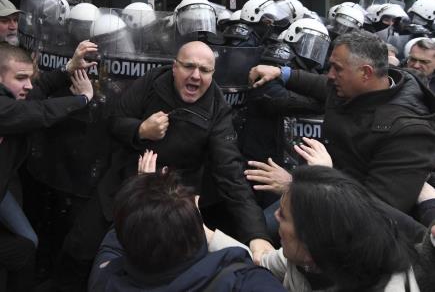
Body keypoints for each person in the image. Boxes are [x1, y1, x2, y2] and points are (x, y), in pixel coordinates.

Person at [58, 40, 273, 291]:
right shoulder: (153, 81)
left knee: (154, 266)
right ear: (174, 67)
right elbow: (114, 120)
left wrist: (257, 235)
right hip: (123, 183)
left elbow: (231, 175)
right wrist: (140, 130)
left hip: (169, 205)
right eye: (189, 67)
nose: (195, 75)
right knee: (80, 246)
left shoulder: (217, 109)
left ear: (213, 74)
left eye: (204, 70)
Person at [248, 30, 435, 228]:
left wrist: (297, 186)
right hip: (325, 191)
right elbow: (323, 86)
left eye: (337, 69)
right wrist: (283, 73)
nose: (330, 75)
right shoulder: (358, 87)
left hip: (349, 225)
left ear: (366, 73)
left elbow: (376, 214)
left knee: (262, 240)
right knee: (254, 231)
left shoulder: (408, 134)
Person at [208, 165, 435, 292]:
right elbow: (262, 262)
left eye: (284, 215)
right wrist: (203, 233)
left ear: (313, 239)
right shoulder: (305, 257)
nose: (274, 216)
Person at [88, 169, 287, 292]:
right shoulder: (248, 282)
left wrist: (140, 200)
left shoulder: (104, 280)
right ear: (196, 226)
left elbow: (112, 246)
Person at [0, 41, 95, 290]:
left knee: (28, 240)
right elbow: (39, 111)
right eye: (20, 78)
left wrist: (68, 68)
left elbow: (38, 93)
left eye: (29, 77)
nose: (28, 85)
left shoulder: (15, 97)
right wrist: (84, 99)